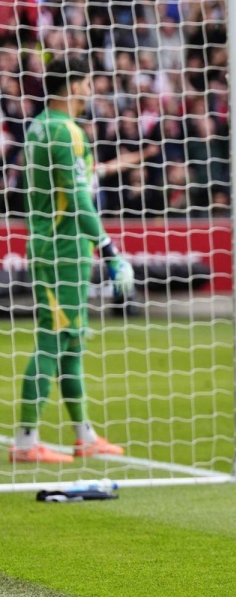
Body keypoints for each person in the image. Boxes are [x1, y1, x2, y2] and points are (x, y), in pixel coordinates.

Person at [11, 57, 135, 463]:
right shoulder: (67, 132)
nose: (92, 90)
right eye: (88, 83)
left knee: (71, 343)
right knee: (52, 338)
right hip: (61, 252)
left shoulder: (39, 127)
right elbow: (79, 200)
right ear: (75, 86)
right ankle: (26, 443)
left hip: (59, 249)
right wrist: (110, 249)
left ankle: (84, 435)